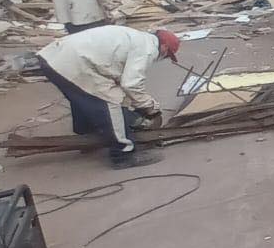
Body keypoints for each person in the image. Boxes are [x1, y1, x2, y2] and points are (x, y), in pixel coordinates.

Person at [36, 26, 181, 169]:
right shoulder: (147, 49)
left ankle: (87, 133)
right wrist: (150, 107)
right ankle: (123, 153)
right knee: (111, 104)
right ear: (164, 47)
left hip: (54, 57)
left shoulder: (137, 37)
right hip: (73, 61)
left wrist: (132, 102)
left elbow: (118, 75)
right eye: (167, 55)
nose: (164, 58)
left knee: (84, 95)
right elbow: (131, 84)